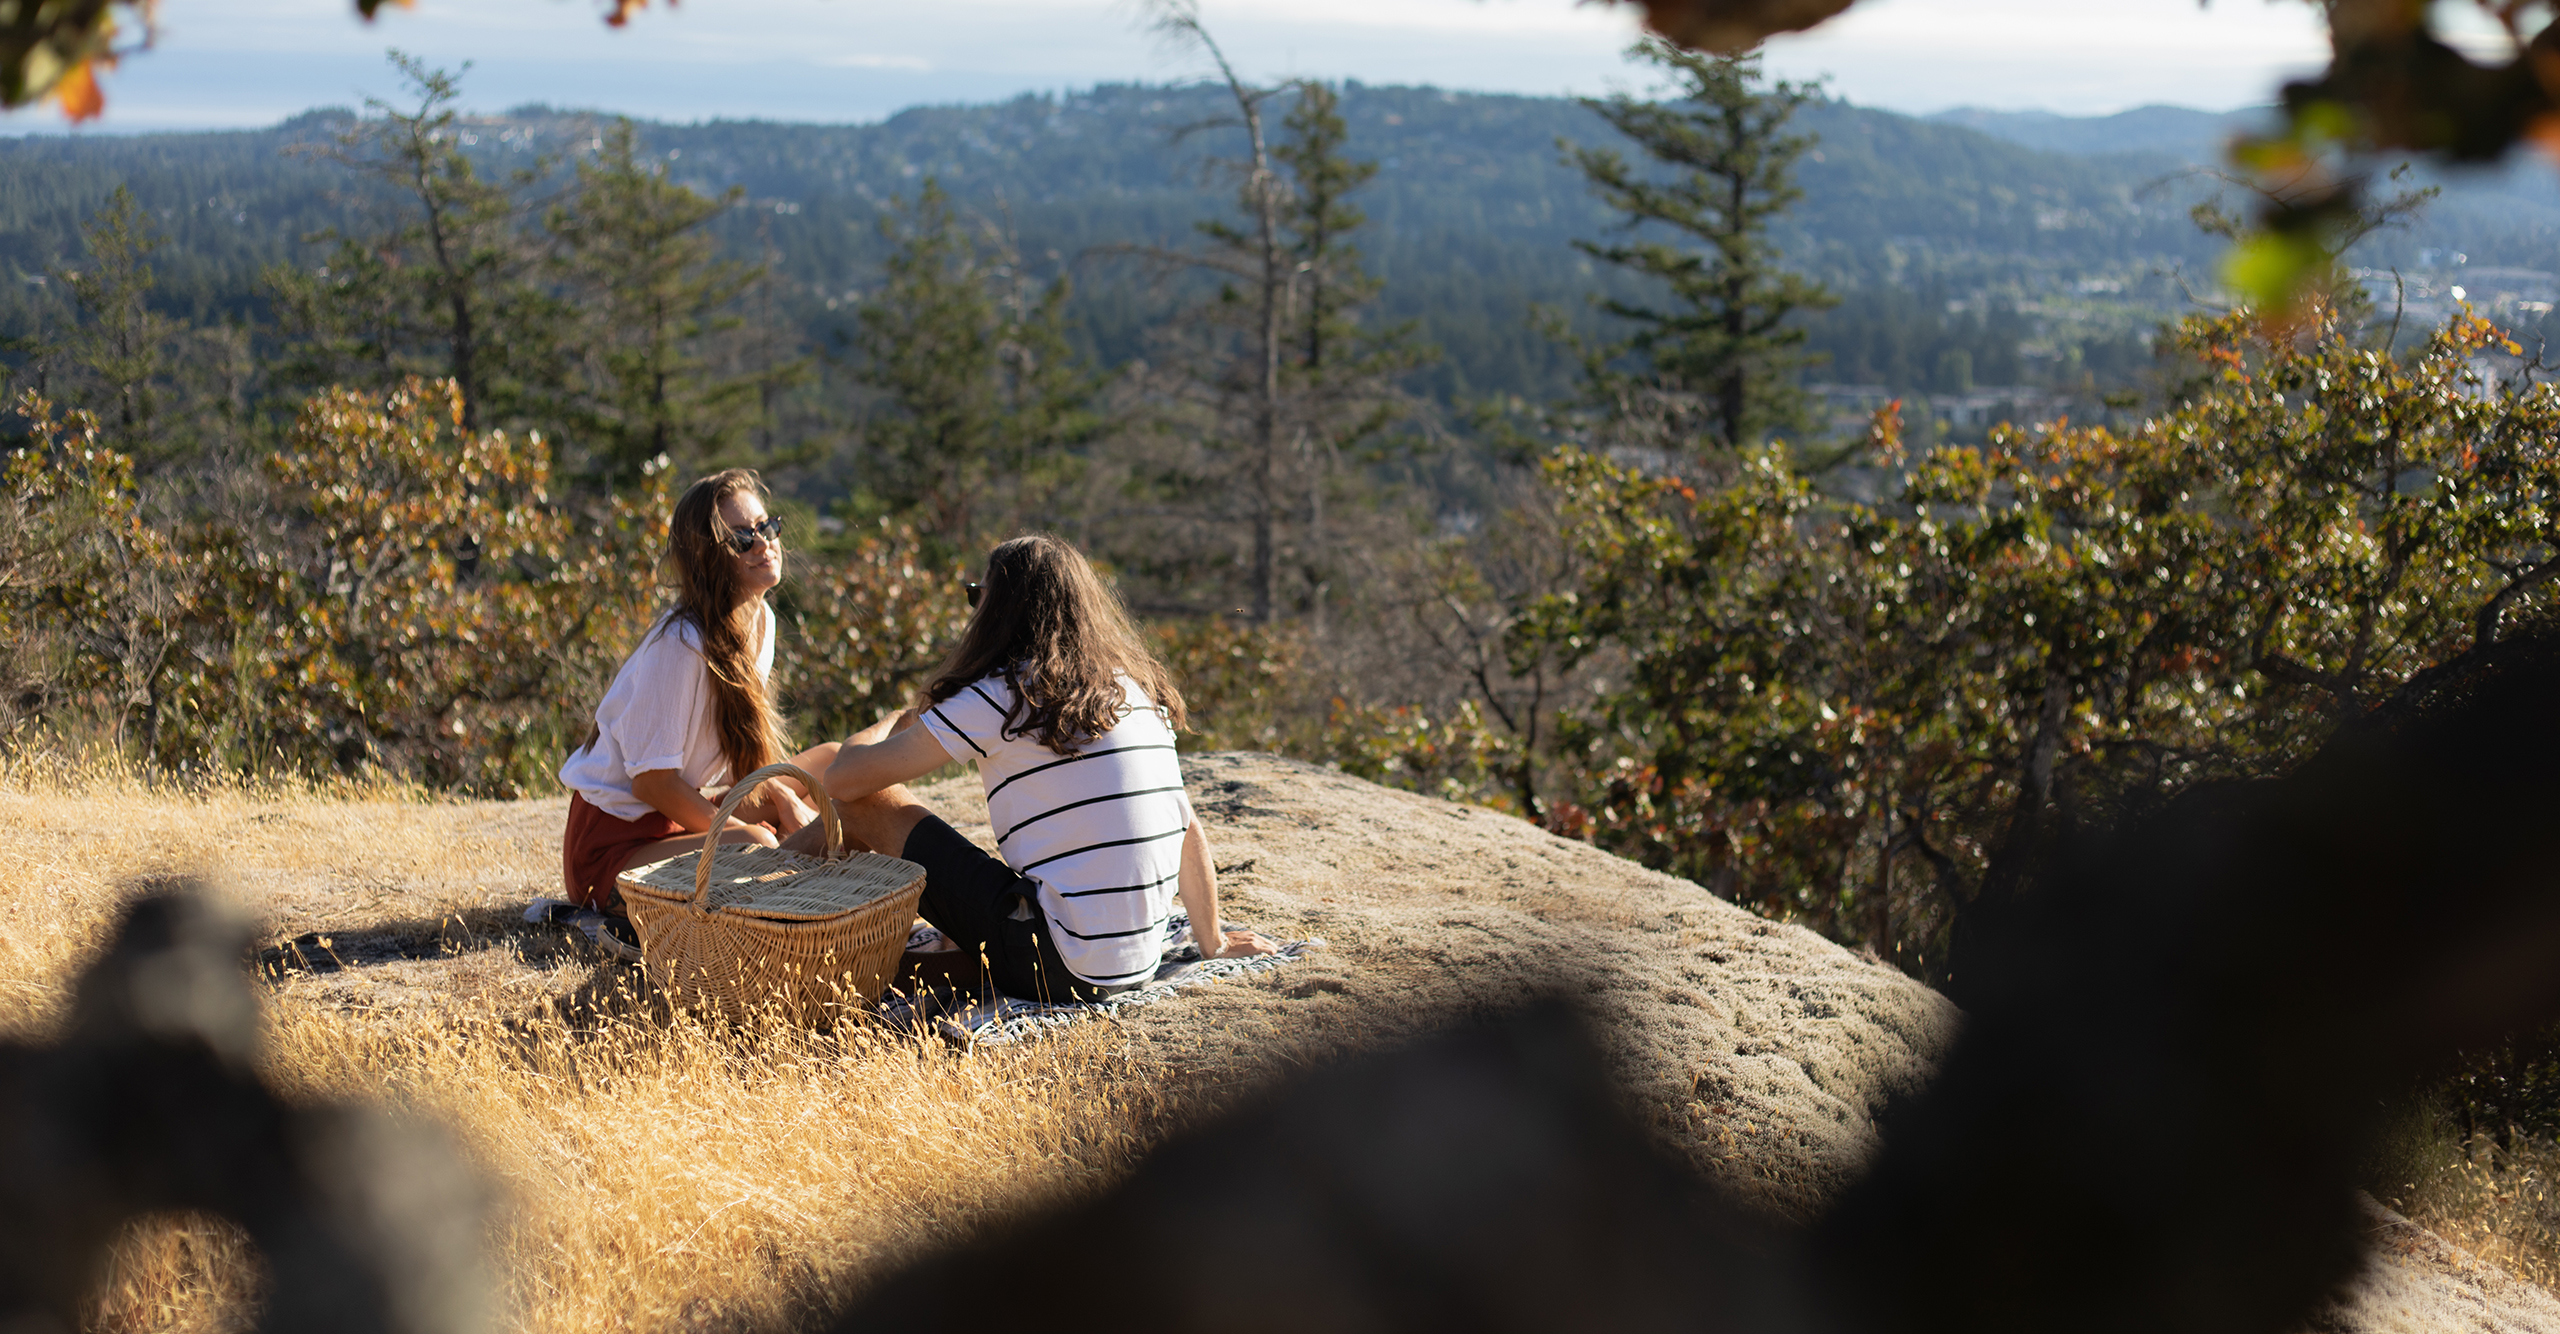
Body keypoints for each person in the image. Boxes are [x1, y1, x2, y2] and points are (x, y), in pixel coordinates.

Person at [824, 533, 1275, 1002]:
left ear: (998, 610)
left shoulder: (1001, 694)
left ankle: (766, 907)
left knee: (867, 804)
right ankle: (816, 927)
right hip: (1131, 964)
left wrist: (892, 721)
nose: (972, 610)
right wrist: (1214, 943)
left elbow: (844, 780)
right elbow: (1187, 825)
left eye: (976, 595)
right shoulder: (1134, 693)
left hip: (1056, 961)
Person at [557, 468, 839, 958]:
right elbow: (653, 784)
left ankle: (813, 872)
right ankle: (810, 897)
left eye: (766, 528)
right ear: (709, 558)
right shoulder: (681, 645)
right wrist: (741, 828)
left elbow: (744, 755)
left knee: (835, 765)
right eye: (742, 539)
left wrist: (785, 800)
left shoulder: (761, 620)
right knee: (756, 844)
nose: (763, 544)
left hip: (678, 815)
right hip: (613, 849)